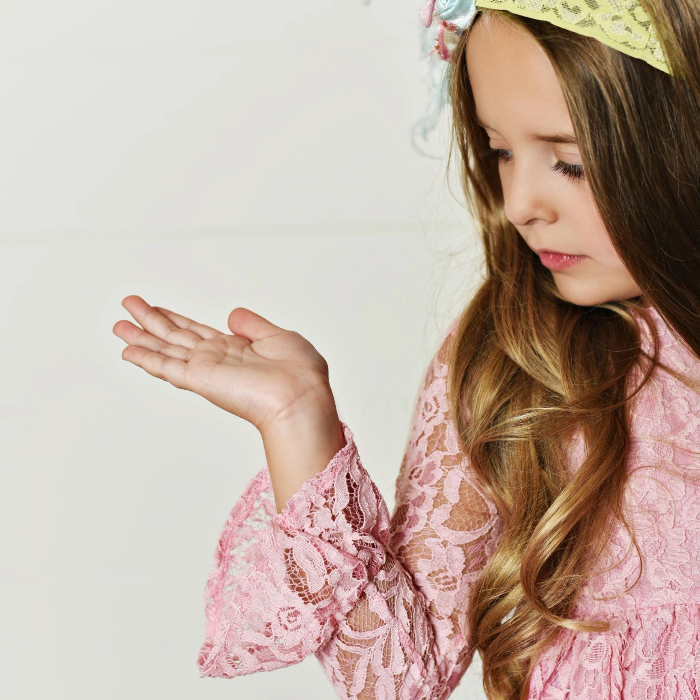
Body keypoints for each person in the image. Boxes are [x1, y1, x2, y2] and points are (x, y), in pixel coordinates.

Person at [112, 1, 700, 698]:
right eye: (501, 152)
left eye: (568, 164)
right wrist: (300, 425)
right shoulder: (518, 356)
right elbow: (400, 677)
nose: (518, 204)